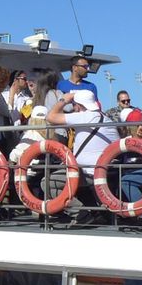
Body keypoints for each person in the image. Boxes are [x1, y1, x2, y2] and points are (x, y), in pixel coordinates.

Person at [44, 91, 115, 223]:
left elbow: (51, 117)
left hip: (88, 172)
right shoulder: (107, 119)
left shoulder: (84, 116)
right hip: (106, 170)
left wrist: (64, 100)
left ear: (79, 105)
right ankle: (94, 213)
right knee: (71, 178)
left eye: (74, 105)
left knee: (47, 183)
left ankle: (81, 215)